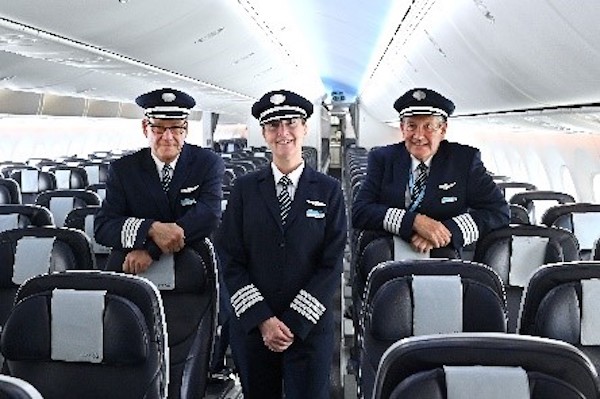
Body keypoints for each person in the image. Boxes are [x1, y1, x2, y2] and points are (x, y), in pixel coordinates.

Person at [217, 89, 347, 399]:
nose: (283, 133)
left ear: (304, 128)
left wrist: (293, 321)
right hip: (253, 328)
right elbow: (230, 259)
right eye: (274, 126)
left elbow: (331, 263)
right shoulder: (244, 189)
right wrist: (263, 320)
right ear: (264, 134)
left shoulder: (328, 190)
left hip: (309, 328)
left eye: (290, 123)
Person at [352, 87, 509, 256]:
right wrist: (415, 222)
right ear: (402, 128)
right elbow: (360, 211)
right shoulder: (383, 158)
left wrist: (443, 231)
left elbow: (498, 212)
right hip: (388, 254)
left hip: (443, 256)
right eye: (412, 126)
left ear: (442, 130)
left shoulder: (464, 160)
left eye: (428, 127)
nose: (419, 136)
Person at [94, 87, 224, 273]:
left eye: (176, 128)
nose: (168, 137)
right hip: (136, 273)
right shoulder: (124, 170)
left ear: (185, 129)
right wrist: (151, 228)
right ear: (145, 127)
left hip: (195, 269)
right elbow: (104, 227)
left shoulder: (207, 163)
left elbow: (208, 216)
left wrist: (151, 250)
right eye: (159, 128)